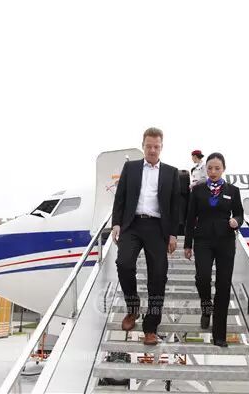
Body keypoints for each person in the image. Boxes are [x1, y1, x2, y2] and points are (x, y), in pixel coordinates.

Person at [111, 127, 180, 346]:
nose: (152, 150)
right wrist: (116, 223)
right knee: (123, 264)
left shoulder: (171, 172)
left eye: (156, 146)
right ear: (143, 145)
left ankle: (151, 327)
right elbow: (120, 197)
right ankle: (133, 308)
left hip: (157, 227)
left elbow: (175, 206)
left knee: (158, 277)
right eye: (149, 146)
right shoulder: (130, 167)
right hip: (132, 225)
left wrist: (173, 234)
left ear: (161, 147)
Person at [184, 152, 243, 347]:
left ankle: (219, 335)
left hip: (225, 241)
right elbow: (190, 218)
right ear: (206, 169)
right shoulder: (198, 190)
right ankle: (206, 306)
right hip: (203, 241)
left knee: (223, 285)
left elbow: (240, 214)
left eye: (217, 168)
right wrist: (188, 244)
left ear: (223, 169)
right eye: (210, 168)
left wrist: (236, 221)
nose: (213, 171)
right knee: (202, 277)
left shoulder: (233, 191)